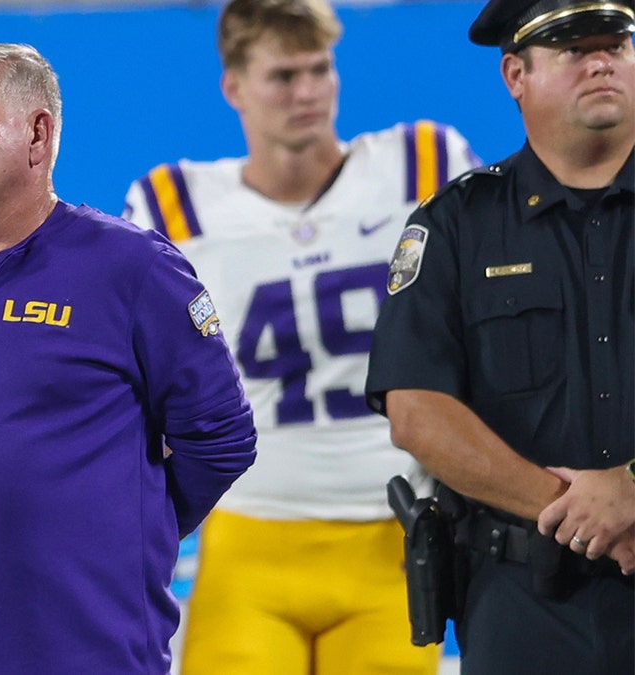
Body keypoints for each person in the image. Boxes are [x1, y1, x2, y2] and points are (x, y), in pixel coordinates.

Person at [0, 42, 258, 675]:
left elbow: (220, 441)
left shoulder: (133, 269)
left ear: (38, 132)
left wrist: (129, 533)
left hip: (90, 653)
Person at [122, 0, 477, 672]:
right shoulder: (175, 205)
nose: (308, 92)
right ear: (234, 87)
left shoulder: (421, 165)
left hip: (393, 528)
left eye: (320, 70)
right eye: (284, 76)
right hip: (249, 534)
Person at [365, 0, 635, 671]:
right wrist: (578, 514)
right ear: (516, 74)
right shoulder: (455, 224)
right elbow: (417, 410)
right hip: (520, 600)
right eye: (576, 50)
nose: (603, 62)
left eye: (618, 45)